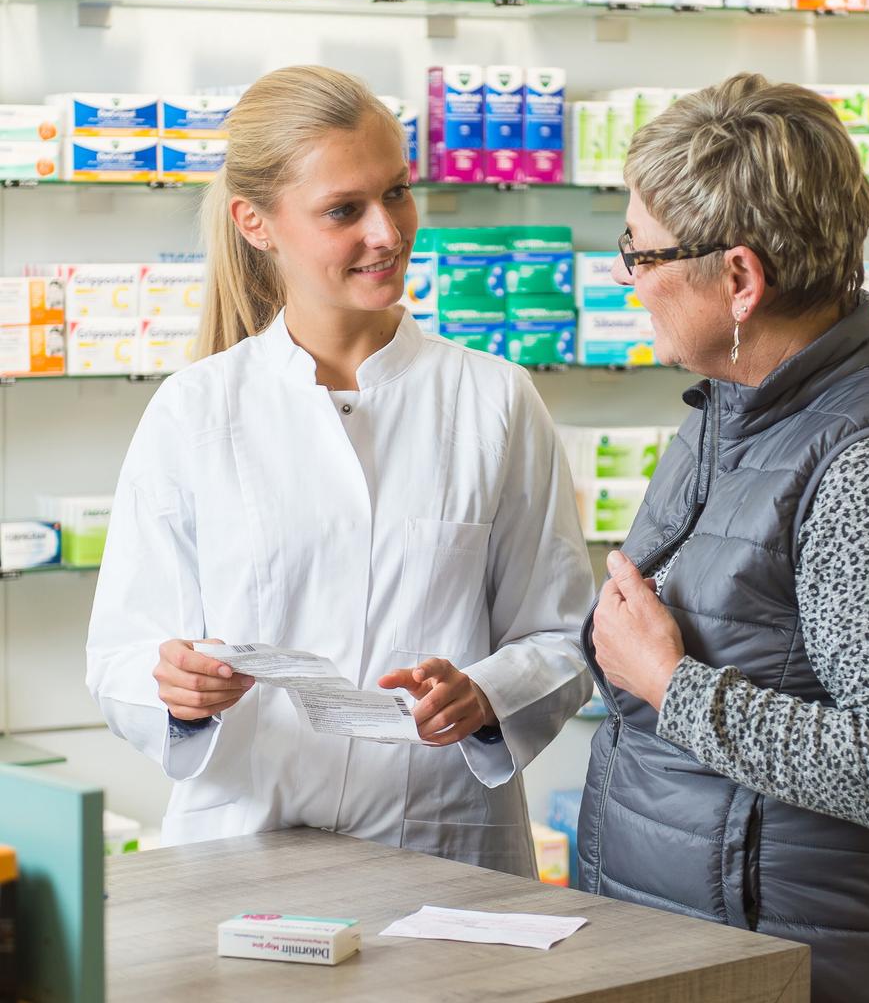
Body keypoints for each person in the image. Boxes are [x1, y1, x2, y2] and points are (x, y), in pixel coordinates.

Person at [86, 65, 594, 876]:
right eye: (344, 210)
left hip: (445, 848)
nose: (387, 233)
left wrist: (484, 693)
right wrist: (175, 690)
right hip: (244, 848)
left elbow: (559, 633)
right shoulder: (195, 410)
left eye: (396, 193)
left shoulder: (494, 398)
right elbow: (122, 652)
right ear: (256, 223)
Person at [577, 73, 869, 1002]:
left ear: (739, 279)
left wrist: (672, 685)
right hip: (699, 954)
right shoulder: (730, 410)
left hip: (809, 970)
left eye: (640, 253)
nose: (626, 278)